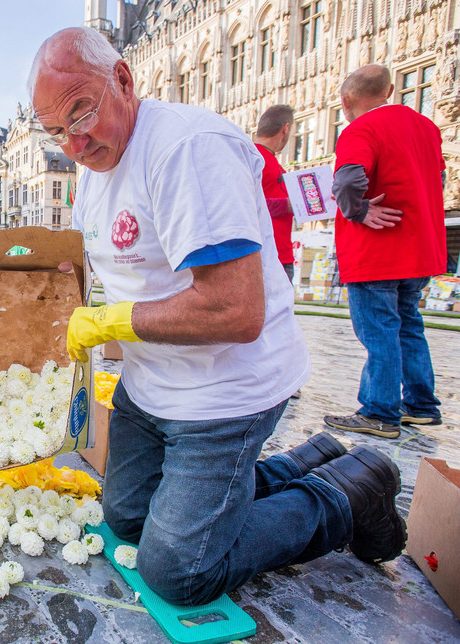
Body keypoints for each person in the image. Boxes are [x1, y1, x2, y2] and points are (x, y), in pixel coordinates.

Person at [31, 27, 405, 606]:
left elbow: (235, 310)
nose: (73, 145)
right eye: (56, 132)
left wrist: (112, 322)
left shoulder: (185, 148)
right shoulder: (92, 171)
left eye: (81, 113)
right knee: (128, 520)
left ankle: (347, 494)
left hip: (225, 390)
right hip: (151, 387)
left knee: (177, 570)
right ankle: (311, 459)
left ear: (124, 81)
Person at [323, 64, 445, 438]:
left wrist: (359, 210)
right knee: (409, 325)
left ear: (345, 101)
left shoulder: (361, 128)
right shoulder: (426, 127)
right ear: (390, 90)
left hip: (377, 251)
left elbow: (347, 177)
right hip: (418, 248)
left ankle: (379, 411)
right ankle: (421, 406)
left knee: (379, 333)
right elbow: (438, 177)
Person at [254, 105, 298, 282]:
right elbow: (245, 202)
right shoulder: (254, 156)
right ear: (286, 129)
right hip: (267, 255)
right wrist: (287, 204)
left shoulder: (273, 161)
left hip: (281, 254)